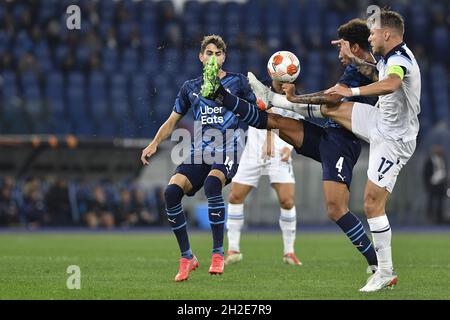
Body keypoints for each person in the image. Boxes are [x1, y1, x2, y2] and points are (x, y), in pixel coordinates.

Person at [201, 19, 380, 280]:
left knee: (335, 208)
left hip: (344, 142)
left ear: (354, 47)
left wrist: (294, 99)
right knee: (273, 120)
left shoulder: (373, 70)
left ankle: (377, 263)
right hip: (328, 134)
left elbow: (334, 98)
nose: (338, 53)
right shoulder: (354, 69)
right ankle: (222, 96)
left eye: (341, 47)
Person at [140, 35, 256, 281]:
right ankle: (187, 257)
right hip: (200, 151)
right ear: (201, 57)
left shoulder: (238, 82)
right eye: (209, 53)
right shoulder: (190, 88)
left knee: (213, 185)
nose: (213, 58)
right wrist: (154, 143)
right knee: (171, 193)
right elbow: (172, 121)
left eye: (218, 54)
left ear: (224, 57)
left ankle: (217, 254)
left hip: (229, 149)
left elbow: (257, 110)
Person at [226, 82, 302, 267]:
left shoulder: (295, 99)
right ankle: (233, 249)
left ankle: (289, 252)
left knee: (287, 200)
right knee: (235, 196)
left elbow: (299, 126)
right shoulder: (260, 93)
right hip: (254, 150)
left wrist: (288, 147)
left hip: (279, 151)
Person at [423, 144, 448, 224]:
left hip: (441, 184)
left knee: (440, 202)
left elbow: (444, 170)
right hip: (432, 184)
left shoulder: (443, 158)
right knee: (431, 202)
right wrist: (427, 185)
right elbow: (425, 174)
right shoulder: (429, 160)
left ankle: (439, 219)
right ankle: (429, 219)